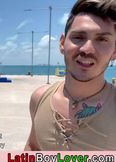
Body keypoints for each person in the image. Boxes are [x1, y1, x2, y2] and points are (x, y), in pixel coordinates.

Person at [25, 0, 116, 150]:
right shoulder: (39, 98)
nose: (87, 49)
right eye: (79, 37)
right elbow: (33, 147)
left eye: (102, 39)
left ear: (114, 51)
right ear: (62, 43)